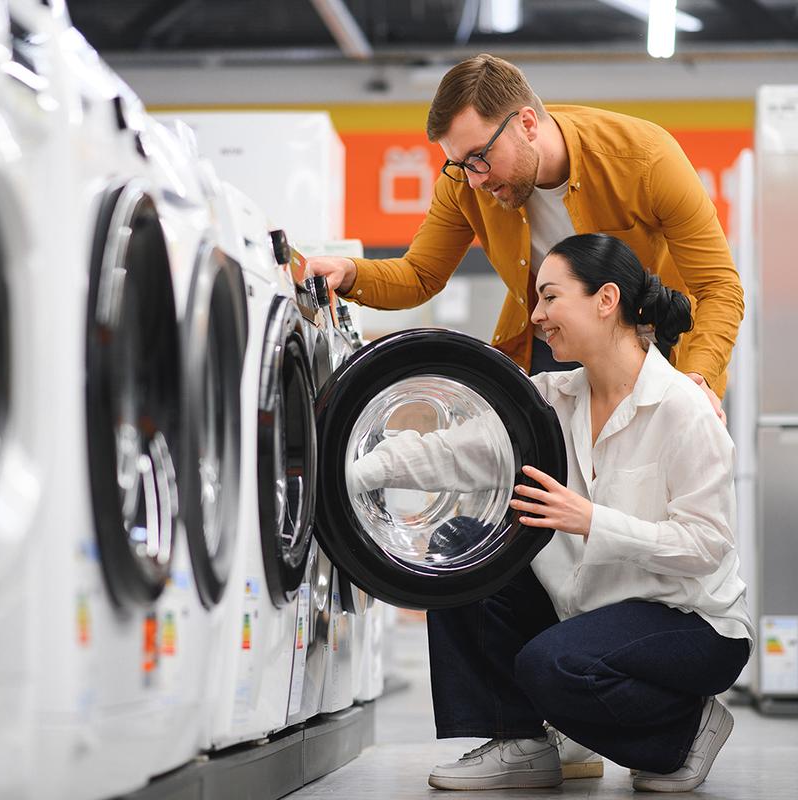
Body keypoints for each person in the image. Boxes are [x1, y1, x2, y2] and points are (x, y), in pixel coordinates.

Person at [346, 233, 753, 792]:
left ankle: (685, 730)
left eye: (549, 297)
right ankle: (523, 742)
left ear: (605, 299)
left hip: (690, 621)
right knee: (458, 547)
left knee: (551, 665)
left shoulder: (683, 409)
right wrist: (341, 473)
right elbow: (449, 452)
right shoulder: (550, 400)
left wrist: (591, 519)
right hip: (590, 613)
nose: (535, 315)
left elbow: (707, 547)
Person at [306, 53, 743, 420]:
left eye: (479, 157)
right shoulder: (463, 185)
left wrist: (696, 381)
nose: (474, 180)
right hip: (550, 349)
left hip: (649, 350)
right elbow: (420, 275)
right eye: (459, 163)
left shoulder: (644, 159)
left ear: (528, 124)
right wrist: (347, 273)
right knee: (542, 500)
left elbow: (719, 287)